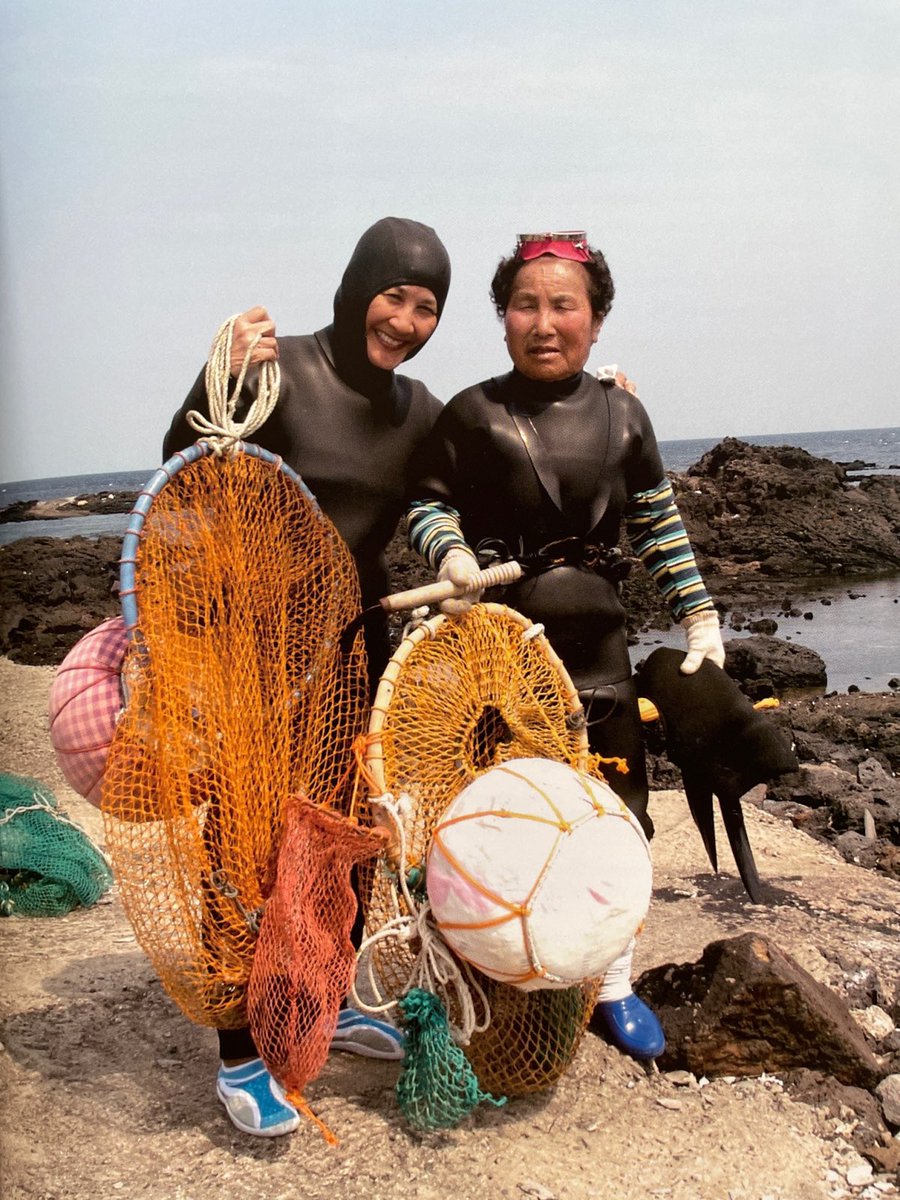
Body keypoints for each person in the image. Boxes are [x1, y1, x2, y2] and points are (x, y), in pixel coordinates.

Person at [163, 216, 451, 1136]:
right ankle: (240, 1054)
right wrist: (216, 373)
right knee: (242, 851)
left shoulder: (421, 414)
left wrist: (589, 394)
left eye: (427, 307)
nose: (406, 320)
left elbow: (441, 500)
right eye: (394, 295)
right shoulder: (278, 367)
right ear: (357, 282)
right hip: (253, 651)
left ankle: (323, 1002)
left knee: (342, 841)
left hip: (350, 652)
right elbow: (184, 473)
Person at [406, 230, 724, 1061]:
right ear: (502, 316)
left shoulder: (625, 413)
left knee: (618, 820)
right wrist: (452, 554)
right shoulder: (472, 413)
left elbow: (658, 523)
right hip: (500, 660)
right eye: (524, 305)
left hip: (602, 659)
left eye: (563, 305)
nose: (543, 323)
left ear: (597, 317)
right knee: (489, 825)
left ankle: (611, 984)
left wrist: (700, 617)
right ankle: (483, 979)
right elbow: (424, 505)